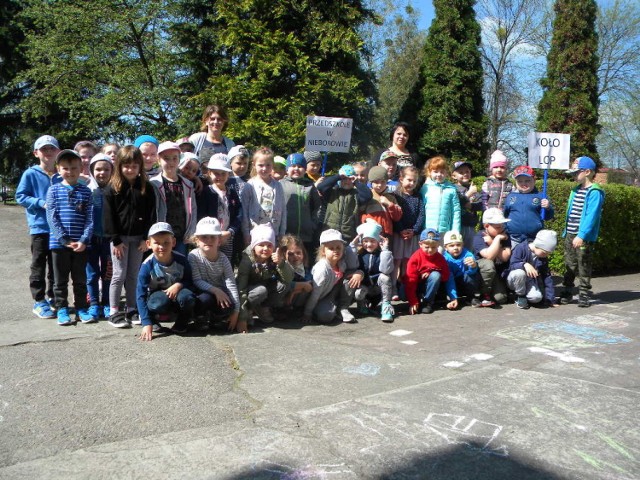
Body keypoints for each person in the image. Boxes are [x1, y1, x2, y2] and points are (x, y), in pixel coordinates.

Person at [103, 145, 156, 328]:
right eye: (126, 166)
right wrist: (115, 240)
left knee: (133, 274)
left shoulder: (146, 188)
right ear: (119, 166)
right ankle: (114, 311)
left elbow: (151, 215)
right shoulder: (112, 188)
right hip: (120, 241)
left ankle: (132, 308)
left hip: (139, 239)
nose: (130, 170)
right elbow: (108, 217)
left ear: (140, 166)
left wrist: (146, 239)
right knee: (119, 274)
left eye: (134, 166)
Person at [45, 150, 95, 325]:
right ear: (58, 169)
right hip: (59, 245)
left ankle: (81, 308)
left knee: (80, 279)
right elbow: (52, 217)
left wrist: (83, 240)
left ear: (81, 168)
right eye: (65, 168)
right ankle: (62, 309)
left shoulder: (86, 192)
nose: (70, 171)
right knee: (60, 281)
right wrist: (64, 240)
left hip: (81, 245)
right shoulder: (53, 190)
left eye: (74, 168)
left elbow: (90, 219)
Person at [16, 135, 62, 319]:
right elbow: (21, 196)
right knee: (38, 266)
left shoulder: (62, 174)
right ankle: (39, 300)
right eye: (44, 149)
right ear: (36, 153)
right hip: (39, 228)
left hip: (59, 229)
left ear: (58, 151)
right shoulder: (30, 173)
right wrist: (39, 202)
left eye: (52, 149)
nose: (48, 152)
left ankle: (53, 297)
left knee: (56, 266)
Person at [136, 222, 197, 340]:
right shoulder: (146, 266)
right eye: (157, 243)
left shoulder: (182, 260)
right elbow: (140, 295)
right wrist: (146, 322)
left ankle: (181, 323)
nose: (162, 246)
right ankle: (153, 320)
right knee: (157, 303)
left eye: (166, 242)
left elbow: (190, 281)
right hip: (158, 296)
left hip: (178, 293)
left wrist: (179, 285)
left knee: (188, 298)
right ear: (148, 244)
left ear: (173, 242)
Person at [558, 156, 605, 308]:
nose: (573, 176)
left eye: (575, 172)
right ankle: (567, 291)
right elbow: (571, 212)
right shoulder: (575, 190)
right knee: (569, 264)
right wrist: (568, 232)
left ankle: (584, 294)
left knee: (583, 265)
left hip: (583, 237)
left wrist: (581, 235)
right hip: (571, 233)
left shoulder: (594, 192)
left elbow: (592, 215)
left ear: (587, 172)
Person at [188, 217, 243, 333]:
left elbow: (231, 284)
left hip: (219, 293)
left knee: (230, 302)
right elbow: (196, 280)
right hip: (202, 292)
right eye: (204, 237)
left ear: (219, 241)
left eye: (213, 237)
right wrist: (216, 291)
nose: (208, 240)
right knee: (204, 299)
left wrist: (236, 312)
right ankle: (200, 317)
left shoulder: (223, 259)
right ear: (197, 240)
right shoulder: (193, 256)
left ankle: (216, 317)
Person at [236, 224, 293, 325]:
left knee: (284, 285)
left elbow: (288, 278)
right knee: (261, 291)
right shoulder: (247, 260)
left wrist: (281, 263)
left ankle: (262, 307)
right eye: (261, 245)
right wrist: (242, 318)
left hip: (265, 286)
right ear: (254, 246)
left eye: (269, 245)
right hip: (249, 291)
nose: (266, 248)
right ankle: (248, 309)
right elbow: (241, 289)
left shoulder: (275, 256)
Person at [303, 229, 363, 324]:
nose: (336, 251)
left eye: (338, 247)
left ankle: (342, 308)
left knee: (352, 277)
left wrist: (359, 273)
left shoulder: (341, 263)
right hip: (319, 298)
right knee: (326, 316)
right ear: (323, 251)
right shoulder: (322, 269)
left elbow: (352, 271)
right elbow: (315, 294)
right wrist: (307, 313)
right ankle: (323, 310)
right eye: (331, 248)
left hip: (331, 294)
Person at [150, 141, 197, 255]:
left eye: (174, 158)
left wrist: (191, 231)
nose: (171, 162)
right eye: (166, 158)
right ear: (158, 160)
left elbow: (193, 209)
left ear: (179, 160)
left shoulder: (188, 185)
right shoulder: (153, 184)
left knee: (179, 266)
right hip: (160, 235)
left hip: (181, 235)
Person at [198, 154, 243, 265]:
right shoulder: (206, 192)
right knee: (209, 261)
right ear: (209, 173)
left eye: (223, 174)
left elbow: (239, 213)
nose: (220, 177)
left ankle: (225, 282)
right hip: (210, 237)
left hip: (227, 236)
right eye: (216, 173)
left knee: (226, 263)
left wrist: (230, 231)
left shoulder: (231, 192)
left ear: (228, 174)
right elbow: (201, 215)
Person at [404, 229, 458, 315]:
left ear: (438, 246)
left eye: (433, 247)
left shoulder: (440, 258)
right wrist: (412, 301)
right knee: (403, 293)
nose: (430, 250)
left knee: (435, 275)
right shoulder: (415, 258)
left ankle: (428, 302)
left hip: (431, 285)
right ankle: (416, 299)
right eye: (427, 247)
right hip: (416, 285)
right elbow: (411, 280)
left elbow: (447, 276)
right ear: (420, 244)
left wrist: (453, 297)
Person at [86, 153, 114, 319]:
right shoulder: (87, 189)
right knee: (91, 273)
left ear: (112, 171)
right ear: (91, 170)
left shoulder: (115, 191)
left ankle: (107, 303)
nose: (102, 173)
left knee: (108, 272)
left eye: (106, 169)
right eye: (98, 169)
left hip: (109, 240)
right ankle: (94, 303)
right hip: (91, 239)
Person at [350, 219, 395, 322]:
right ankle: (362, 304)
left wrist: (385, 251)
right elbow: (351, 265)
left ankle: (386, 307)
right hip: (365, 287)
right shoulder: (359, 255)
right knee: (358, 293)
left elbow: (386, 269)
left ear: (378, 242)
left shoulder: (382, 254)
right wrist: (352, 246)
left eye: (372, 241)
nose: (369, 244)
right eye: (365, 241)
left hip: (379, 288)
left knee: (385, 277)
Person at [241, 147, 286, 244]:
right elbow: (244, 211)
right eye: (261, 165)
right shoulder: (250, 185)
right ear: (254, 165)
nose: (264, 168)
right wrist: (245, 233)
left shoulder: (278, 186)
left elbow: (283, 210)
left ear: (272, 165)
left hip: (274, 233)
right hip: (255, 233)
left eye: (268, 165)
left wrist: (282, 232)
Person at [392, 165, 425, 300]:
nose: (411, 183)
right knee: (396, 261)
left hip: (412, 235)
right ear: (401, 179)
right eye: (409, 180)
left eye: (414, 181)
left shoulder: (418, 197)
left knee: (408, 261)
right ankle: (393, 287)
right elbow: (394, 214)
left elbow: (421, 215)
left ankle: (405, 287)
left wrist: (415, 230)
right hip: (399, 234)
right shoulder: (396, 195)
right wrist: (400, 230)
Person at [280, 153, 323, 256]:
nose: (296, 169)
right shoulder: (280, 184)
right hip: (287, 233)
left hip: (306, 235)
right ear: (287, 169)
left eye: (300, 166)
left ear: (305, 169)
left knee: (304, 261)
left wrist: (313, 224)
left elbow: (318, 207)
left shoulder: (309, 185)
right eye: (293, 166)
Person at [317, 164, 372, 243]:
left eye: (350, 179)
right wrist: (338, 177)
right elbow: (321, 187)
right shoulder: (332, 192)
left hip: (348, 236)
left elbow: (368, 196)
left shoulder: (356, 195)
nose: (347, 181)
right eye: (344, 179)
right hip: (329, 234)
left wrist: (356, 182)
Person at [503, 165, 554, 248]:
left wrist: (548, 208)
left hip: (534, 239)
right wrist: (504, 231)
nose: (523, 183)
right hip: (513, 239)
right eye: (520, 181)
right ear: (516, 182)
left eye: (527, 181)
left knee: (532, 260)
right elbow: (505, 215)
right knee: (514, 260)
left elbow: (548, 217)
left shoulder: (541, 196)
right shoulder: (511, 197)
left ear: (534, 180)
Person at [506, 229, 558, 309]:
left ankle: (521, 296)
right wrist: (524, 264)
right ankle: (520, 296)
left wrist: (550, 299)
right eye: (544, 252)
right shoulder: (521, 248)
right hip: (513, 279)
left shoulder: (542, 257)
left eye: (548, 253)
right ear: (538, 245)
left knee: (536, 298)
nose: (546, 255)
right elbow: (511, 265)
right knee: (519, 273)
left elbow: (547, 277)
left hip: (529, 281)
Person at [473, 208, 512, 307]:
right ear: (486, 226)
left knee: (501, 298)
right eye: (498, 227)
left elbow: (505, 257)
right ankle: (481, 294)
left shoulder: (504, 235)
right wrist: (498, 239)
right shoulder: (479, 237)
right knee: (488, 264)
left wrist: (493, 241)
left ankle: (492, 292)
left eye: (502, 225)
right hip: (482, 273)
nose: (502, 229)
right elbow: (489, 256)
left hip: (496, 273)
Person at [420, 155, 461, 238]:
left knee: (442, 251)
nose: (439, 174)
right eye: (435, 171)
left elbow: (456, 211)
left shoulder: (451, 189)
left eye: (442, 172)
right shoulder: (425, 188)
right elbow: (421, 210)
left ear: (446, 173)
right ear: (429, 172)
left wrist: (455, 230)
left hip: (445, 231)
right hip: (427, 231)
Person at [360, 166, 402, 239]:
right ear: (371, 182)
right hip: (370, 233)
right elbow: (360, 213)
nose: (380, 185)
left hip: (387, 234)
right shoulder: (368, 196)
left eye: (383, 182)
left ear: (387, 181)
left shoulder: (391, 197)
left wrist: (389, 204)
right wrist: (366, 219)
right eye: (376, 182)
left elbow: (397, 217)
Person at [442, 230, 481, 307]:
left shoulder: (468, 254)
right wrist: (453, 297)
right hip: (450, 284)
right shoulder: (444, 258)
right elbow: (449, 278)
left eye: (458, 245)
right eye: (452, 246)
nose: (456, 248)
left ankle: (470, 297)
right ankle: (445, 298)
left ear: (462, 245)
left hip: (464, 283)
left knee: (470, 275)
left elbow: (473, 273)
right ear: (445, 247)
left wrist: (473, 266)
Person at [451, 160, 482, 252]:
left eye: (467, 171)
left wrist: (469, 205)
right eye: (461, 172)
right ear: (454, 176)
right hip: (458, 225)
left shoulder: (472, 187)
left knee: (469, 251)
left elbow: (480, 204)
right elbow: (455, 202)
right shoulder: (453, 188)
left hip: (471, 225)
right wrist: (469, 194)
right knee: (456, 250)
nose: (465, 174)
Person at [279, 234, 313, 309]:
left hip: (296, 300)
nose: (295, 256)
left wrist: (293, 292)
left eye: (298, 253)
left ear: (303, 253)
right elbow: (281, 285)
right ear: (284, 254)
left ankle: (297, 309)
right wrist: (302, 285)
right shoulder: (282, 267)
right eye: (290, 254)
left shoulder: (304, 268)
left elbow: (309, 286)